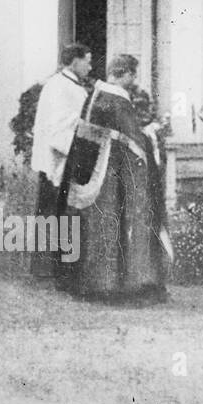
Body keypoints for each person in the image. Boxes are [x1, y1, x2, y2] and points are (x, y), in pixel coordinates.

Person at [67, 54, 169, 304]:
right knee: (121, 224)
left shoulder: (95, 95)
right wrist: (154, 131)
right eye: (133, 75)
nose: (134, 80)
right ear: (125, 73)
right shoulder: (117, 100)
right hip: (115, 176)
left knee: (102, 225)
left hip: (95, 173)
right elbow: (136, 142)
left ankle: (96, 281)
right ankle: (121, 284)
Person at [29, 42, 93, 284]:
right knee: (53, 212)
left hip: (63, 156)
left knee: (57, 213)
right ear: (74, 61)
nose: (89, 65)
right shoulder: (61, 87)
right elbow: (58, 127)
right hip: (58, 158)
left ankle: (57, 266)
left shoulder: (66, 85)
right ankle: (49, 267)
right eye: (86, 60)